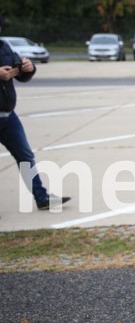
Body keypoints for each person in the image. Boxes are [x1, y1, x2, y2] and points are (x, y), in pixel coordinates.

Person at [0, 32, 70, 211]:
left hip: (8, 116)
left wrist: (27, 69)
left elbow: (20, 73)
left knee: (25, 156)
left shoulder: (3, 46)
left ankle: (42, 198)